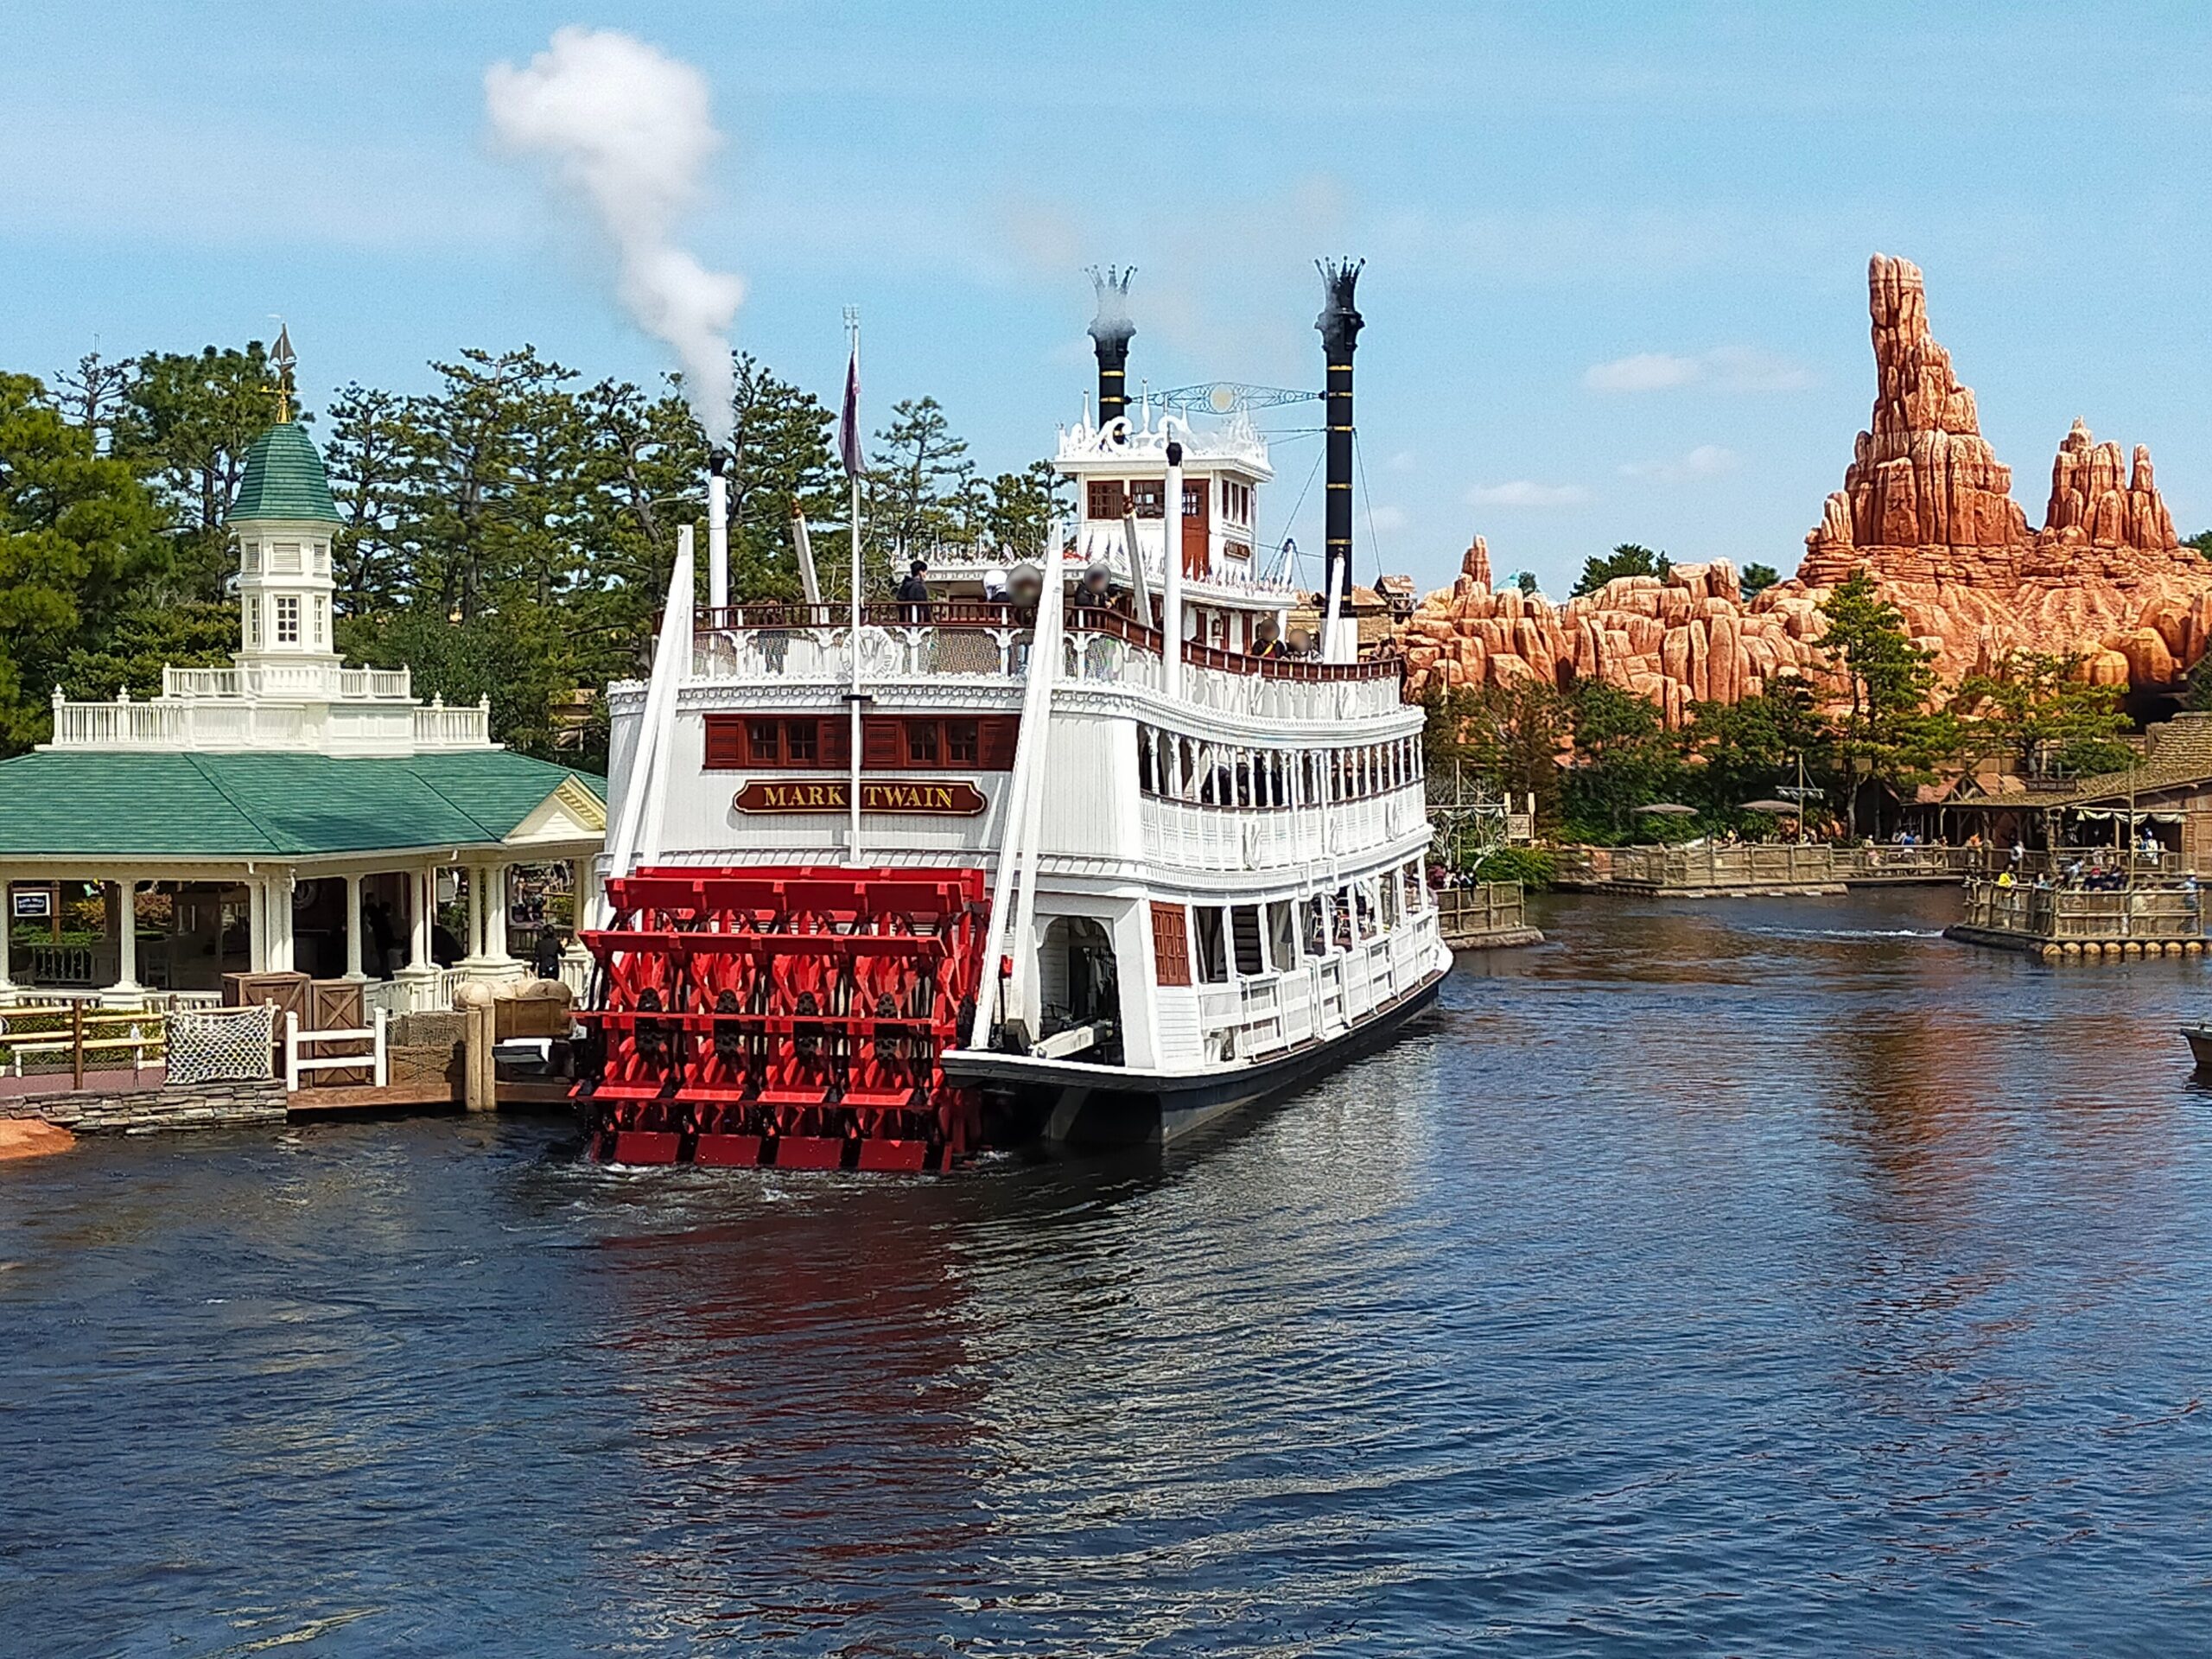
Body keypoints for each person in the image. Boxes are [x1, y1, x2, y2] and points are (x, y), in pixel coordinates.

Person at [896, 558, 931, 622]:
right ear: (920, 572)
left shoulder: (905, 585)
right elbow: (922, 605)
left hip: (905, 619)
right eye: (925, 572)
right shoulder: (918, 587)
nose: (925, 575)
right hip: (916, 620)